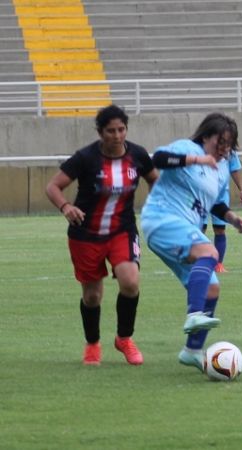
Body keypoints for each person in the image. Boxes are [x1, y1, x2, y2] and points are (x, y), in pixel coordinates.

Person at [45, 104, 158, 366]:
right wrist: (66, 206)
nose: (117, 136)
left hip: (122, 230)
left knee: (130, 282)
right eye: (110, 131)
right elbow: (53, 186)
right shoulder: (85, 158)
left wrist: (155, 204)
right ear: (100, 132)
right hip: (86, 234)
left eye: (121, 130)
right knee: (92, 296)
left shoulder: (138, 155)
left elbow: (155, 179)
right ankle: (93, 344)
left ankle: (124, 339)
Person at [140, 112, 242, 371]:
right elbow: (156, 159)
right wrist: (196, 159)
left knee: (212, 288)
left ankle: (192, 350)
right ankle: (194, 315)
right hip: (162, 219)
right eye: (219, 142)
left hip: (183, 228)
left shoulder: (221, 169)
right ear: (206, 137)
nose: (223, 149)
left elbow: (213, 203)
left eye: (228, 144)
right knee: (209, 252)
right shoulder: (187, 148)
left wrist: (232, 218)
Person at [202, 148, 242, 273]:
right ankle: (198, 262)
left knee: (220, 229)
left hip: (221, 196)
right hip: (201, 195)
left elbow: (235, 169)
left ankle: (218, 265)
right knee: (200, 229)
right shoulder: (201, 148)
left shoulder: (229, 151)